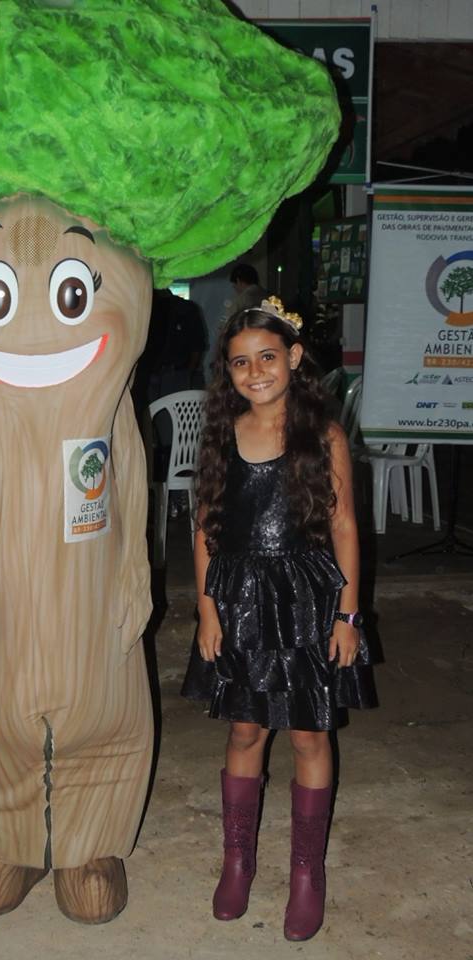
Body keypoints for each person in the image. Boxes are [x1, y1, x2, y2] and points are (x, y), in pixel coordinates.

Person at [181, 297, 377, 941]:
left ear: (293, 358)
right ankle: (238, 861)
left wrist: (348, 614)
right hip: (237, 600)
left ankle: (305, 874)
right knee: (245, 731)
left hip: (306, 598)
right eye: (240, 362)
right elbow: (204, 528)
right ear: (228, 372)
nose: (255, 371)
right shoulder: (220, 435)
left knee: (308, 736)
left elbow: (345, 526)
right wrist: (206, 608)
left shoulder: (324, 436)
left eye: (267, 357)